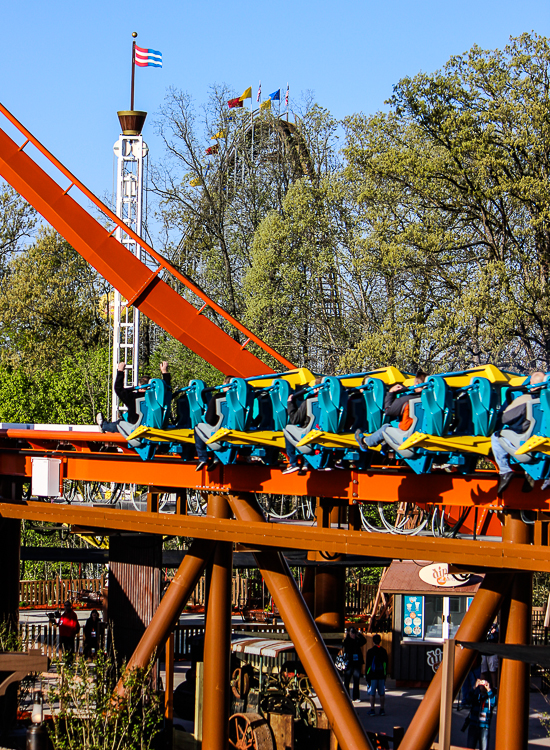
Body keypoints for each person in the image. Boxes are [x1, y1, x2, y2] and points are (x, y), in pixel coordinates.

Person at [490, 371, 546, 494]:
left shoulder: (525, 399)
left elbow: (505, 418)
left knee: (497, 436)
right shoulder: (546, 401)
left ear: (532, 384)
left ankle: (505, 471)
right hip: (542, 445)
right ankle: (532, 473)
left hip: (526, 446)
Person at [354, 372, 428, 452]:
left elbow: (388, 411)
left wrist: (391, 392)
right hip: (422, 433)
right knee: (394, 424)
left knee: (386, 427)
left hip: (408, 436)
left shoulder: (408, 399)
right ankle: (385, 445)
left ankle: (365, 442)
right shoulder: (430, 400)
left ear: (417, 383)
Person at [96, 361, 171, 433]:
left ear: (140, 386)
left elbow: (118, 388)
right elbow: (167, 390)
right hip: (154, 427)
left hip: (134, 428)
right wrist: (164, 372)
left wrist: (120, 371)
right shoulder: (157, 398)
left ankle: (103, 425)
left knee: (119, 424)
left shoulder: (132, 397)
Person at [282, 377, 323, 474]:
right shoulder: (333, 403)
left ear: (316, 388)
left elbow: (295, 419)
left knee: (288, 428)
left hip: (309, 436)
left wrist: (290, 403)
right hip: (325, 435)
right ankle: (306, 463)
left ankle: (293, 463)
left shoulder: (310, 401)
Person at [194, 376, 232, 472]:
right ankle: (216, 458)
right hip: (236, 434)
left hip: (219, 434)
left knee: (198, 427)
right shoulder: (241, 400)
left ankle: (202, 458)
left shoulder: (218, 397)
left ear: (225, 384)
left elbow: (209, 419)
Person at [464, 678, 496, 750]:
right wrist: (474, 687)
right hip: (473, 725)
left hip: (484, 727)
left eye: (484, 684)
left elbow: (494, 702)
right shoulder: (476, 696)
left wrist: (489, 690)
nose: (483, 686)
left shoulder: (489, 698)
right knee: (470, 747)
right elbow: (468, 699)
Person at [365, 633, 388, 715]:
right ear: (380, 641)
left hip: (373, 675)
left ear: (373, 641)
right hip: (381, 675)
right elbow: (385, 664)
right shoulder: (384, 651)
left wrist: (367, 676)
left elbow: (368, 665)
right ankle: (382, 709)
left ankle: (372, 709)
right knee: (382, 693)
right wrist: (385, 675)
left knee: (372, 693)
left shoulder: (370, 651)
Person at [341, 626, 366, 703]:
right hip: (349, 663)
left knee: (356, 680)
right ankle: (347, 696)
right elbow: (344, 646)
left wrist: (358, 633)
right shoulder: (347, 641)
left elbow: (364, 641)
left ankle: (355, 697)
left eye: (354, 633)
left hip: (357, 662)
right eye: (352, 633)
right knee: (347, 680)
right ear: (349, 632)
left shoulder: (357, 640)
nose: (353, 634)